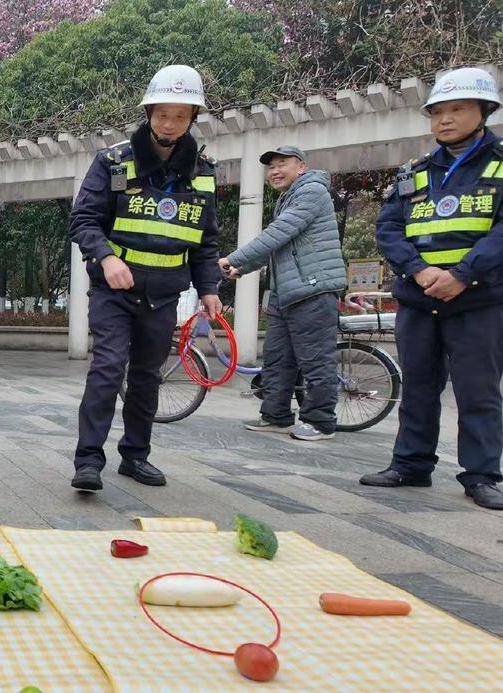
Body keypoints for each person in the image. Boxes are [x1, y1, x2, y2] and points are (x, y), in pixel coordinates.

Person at [68, 65, 223, 492]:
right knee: (107, 367)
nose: (169, 124)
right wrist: (105, 258)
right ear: (148, 112)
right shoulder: (115, 161)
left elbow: (205, 241)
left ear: (193, 117)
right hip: (114, 289)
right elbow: (83, 219)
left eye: (179, 116)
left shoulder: (205, 172)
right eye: (161, 114)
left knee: (147, 376)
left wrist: (209, 289)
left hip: (164, 293)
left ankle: (135, 456)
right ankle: (88, 461)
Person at [362, 67, 503, 510]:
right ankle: (411, 464)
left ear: (484, 111)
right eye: (437, 111)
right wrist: (421, 271)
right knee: (419, 383)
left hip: (478, 299)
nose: (444, 119)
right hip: (420, 298)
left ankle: (481, 475)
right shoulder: (414, 173)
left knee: (477, 390)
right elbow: (389, 229)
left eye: (457, 109)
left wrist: (462, 273)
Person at [219, 146, 347, 441]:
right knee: (277, 358)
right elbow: (279, 246)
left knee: (315, 361)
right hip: (286, 292)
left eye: (282, 164)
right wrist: (243, 268)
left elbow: (278, 233)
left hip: (313, 289)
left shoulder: (312, 191)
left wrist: (233, 259)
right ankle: (276, 415)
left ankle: (321, 421)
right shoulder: (288, 197)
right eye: (270, 166)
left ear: (300, 167)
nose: (274, 171)